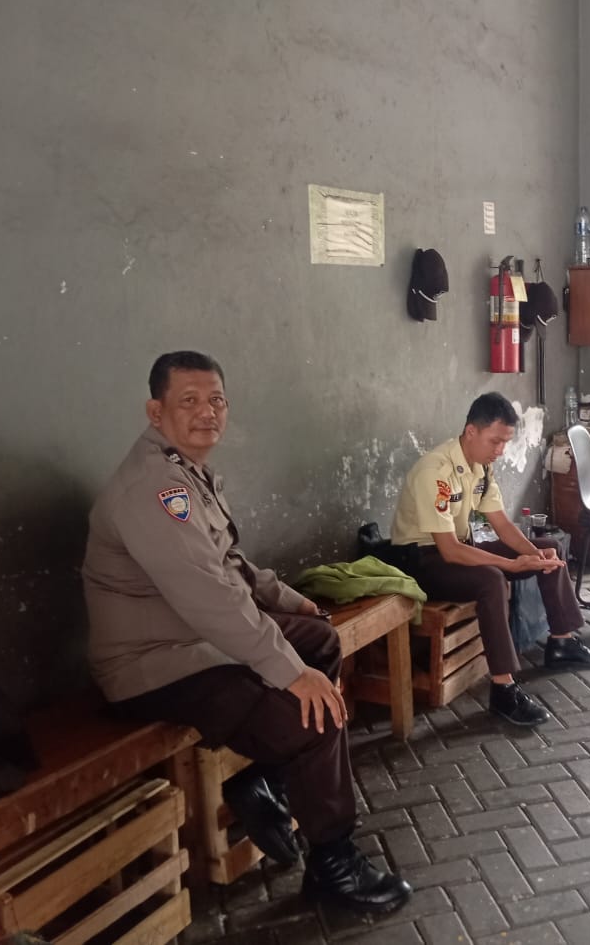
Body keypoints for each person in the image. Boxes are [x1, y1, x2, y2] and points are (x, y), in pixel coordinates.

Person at [81, 351, 411, 915]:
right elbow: (208, 595)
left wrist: (289, 601)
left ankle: (265, 779)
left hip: (197, 642)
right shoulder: (155, 488)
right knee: (315, 716)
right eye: (189, 401)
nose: (206, 412)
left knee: (320, 638)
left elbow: (228, 564)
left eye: (216, 400)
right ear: (156, 411)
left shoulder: (187, 471)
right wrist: (290, 673)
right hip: (155, 666)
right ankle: (333, 866)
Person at [389, 392, 590, 727]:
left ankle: (562, 643)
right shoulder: (435, 472)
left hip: (458, 549)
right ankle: (503, 689)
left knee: (549, 547)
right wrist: (511, 565)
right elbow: (449, 550)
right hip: (421, 562)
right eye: (495, 441)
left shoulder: (481, 467)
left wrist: (533, 555)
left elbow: (503, 525)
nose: (500, 450)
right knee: (491, 579)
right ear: (471, 432)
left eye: (505, 442)